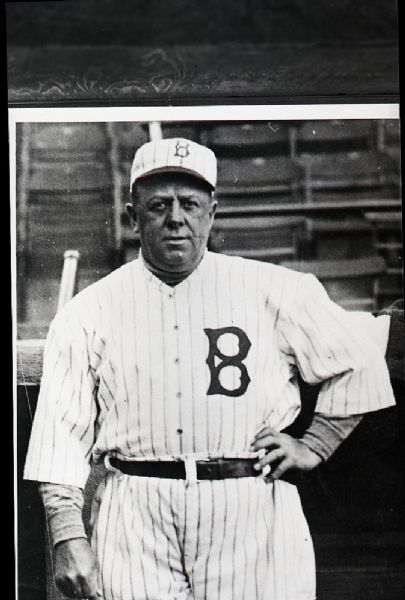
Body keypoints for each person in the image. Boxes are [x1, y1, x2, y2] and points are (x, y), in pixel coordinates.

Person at [24, 137, 396, 600]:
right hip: (137, 510)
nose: (175, 218)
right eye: (158, 205)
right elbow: (61, 434)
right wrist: (67, 534)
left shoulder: (275, 290)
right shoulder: (88, 312)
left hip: (248, 506)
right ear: (132, 216)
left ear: (212, 211)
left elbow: (360, 352)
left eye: (190, 204)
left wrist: (313, 445)